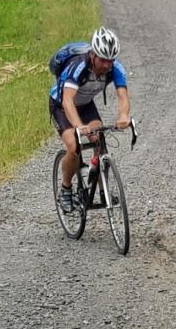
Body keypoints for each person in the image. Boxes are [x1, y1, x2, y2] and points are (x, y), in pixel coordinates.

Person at [49, 27, 131, 212]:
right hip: (61, 105)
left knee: (99, 141)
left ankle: (102, 190)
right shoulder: (78, 66)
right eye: (103, 60)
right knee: (73, 145)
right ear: (93, 54)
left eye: (111, 60)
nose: (107, 65)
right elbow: (68, 100)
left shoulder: (115, 68)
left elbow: (123, 96)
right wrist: (79, 126)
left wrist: (123, 116)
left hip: (85, 105)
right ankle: (66, 189)